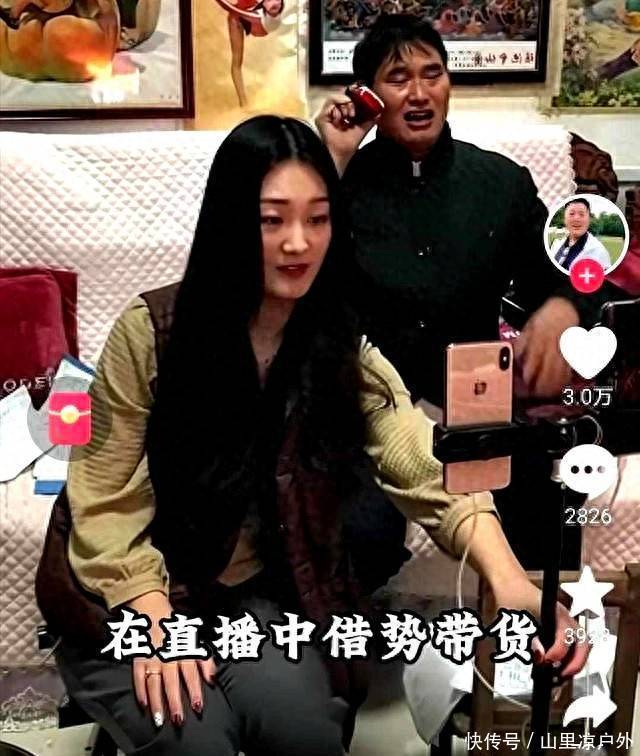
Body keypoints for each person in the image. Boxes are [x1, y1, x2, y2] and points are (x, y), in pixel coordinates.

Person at [36, 116, 587, 756]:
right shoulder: (152, 331)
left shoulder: (334, 339)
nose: (297, 243)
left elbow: (416, 454)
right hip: (128, 600)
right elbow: (104, 498)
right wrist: (151, 621)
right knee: (197, 739)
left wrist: (511, 581)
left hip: (248, 600)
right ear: (230, 222)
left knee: (304, 731)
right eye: (272, 220)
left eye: (318, 219)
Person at [316, 14, 604, 568]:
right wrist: (333, 159)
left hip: (476, 404)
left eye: (432, 74)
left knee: (546, 506)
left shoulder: (499, 183)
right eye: (398, 78)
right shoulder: (336, 186)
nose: (419, 93)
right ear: (366, 96)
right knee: (363, 533)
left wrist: (562, 307)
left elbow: (575, 273)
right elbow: (294, 284)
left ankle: (530, 619)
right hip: (367, 413)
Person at [213, 0, 284, 107]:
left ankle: (243, 103)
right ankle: (243, 103)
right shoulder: (266, 8)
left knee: (235, 16)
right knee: (236, 62)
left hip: (255, 23)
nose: (274, 3)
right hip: (248, 14)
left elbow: (231, 9)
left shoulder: (257, 16)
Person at [549, 197, 612, 273]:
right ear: (564, 219)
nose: (576, 218)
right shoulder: (556, 244)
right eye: (571, 214)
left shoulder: (599, 252)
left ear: (589, 219)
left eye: (581, 214)